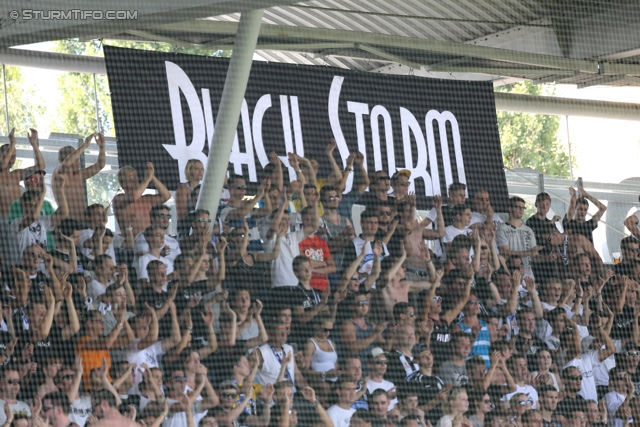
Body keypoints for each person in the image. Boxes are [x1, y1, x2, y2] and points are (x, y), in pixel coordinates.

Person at [12, 173, 69, 256]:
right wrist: (43, 193)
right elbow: (32, 217)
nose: (39, 207)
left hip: (43, 264)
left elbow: (64, 213)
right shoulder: (16, 223)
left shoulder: (42, 221)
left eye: (40, 204)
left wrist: (60, 189)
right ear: (24, 205)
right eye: (35, 204)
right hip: (26, 265)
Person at [53, 133, 106, 221]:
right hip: (67, 222)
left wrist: (102, 146)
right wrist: (85, 145)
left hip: (82, 221)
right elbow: (66, 163)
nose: (79, 162)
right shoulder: (58, 174)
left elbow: (100, 165)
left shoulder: (78, 174)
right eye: (76, 159)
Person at [112, 162, 171, 238]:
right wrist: (147, 180)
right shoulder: (118, 199)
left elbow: (166, 196)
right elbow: (133, 197)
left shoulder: (146, 199)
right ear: (122, 184)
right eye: (130, 179)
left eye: (135, 178)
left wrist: (152, 177)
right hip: (132, 244)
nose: (134, 181)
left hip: (150, 241)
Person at [496, 196, 542, 278]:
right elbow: (504, 252)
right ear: (509, 208)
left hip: (528, 276)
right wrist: (528, 252)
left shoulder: (529, 230)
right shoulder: (502, 228)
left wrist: (548, 258)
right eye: (518, 207)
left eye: (523, 208)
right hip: (511, 274)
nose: (521, 210)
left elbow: (535, 256)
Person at [406, 343, 445, 425]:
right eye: (424, 356)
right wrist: (436, 400)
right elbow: (412, 410)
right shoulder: (415, 380)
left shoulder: (438, 379)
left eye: (430, 354)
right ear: (416, 360)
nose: (429, 358)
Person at [175, 159, 205, 236]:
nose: (200, 171)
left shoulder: (204, 189)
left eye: (202, 169)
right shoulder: (183, 189)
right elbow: (181, 215)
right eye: (196, 169)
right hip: (187, 230)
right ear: (189, 170)